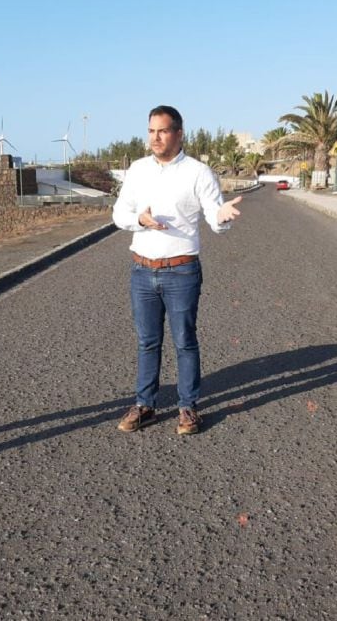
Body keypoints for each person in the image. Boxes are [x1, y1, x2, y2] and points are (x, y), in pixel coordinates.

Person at [111, 105, 243, 435]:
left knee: (184, 341)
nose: (155, 137)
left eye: (163, 131)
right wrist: (139, 220)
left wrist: (222, 218)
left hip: (181, 271)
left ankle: (188, 407)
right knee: (147, 342)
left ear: (179, 133)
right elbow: (119, 213)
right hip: (141, 270)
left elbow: (214, 216)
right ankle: (145, 405)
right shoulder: (138, 170)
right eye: (151, 131)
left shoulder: (199, 173)